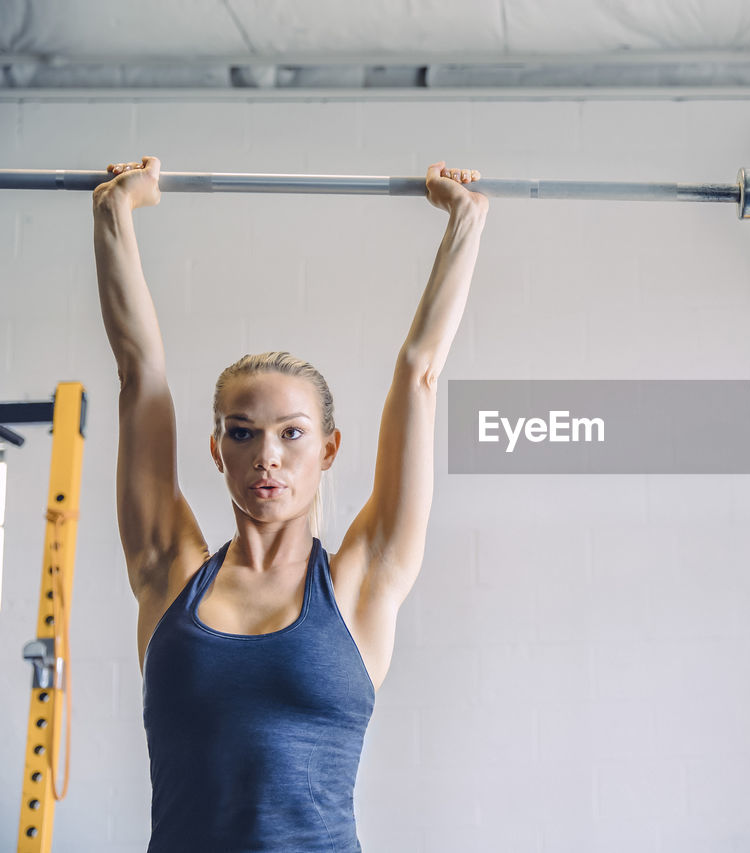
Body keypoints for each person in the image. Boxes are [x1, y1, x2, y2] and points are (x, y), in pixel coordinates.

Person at [91, 154, 488, 852]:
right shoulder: (169, 571)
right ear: (218, 450)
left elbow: (420, 370)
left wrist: (465, 221)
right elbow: (137, 371)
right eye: (242, 433)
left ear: (328, 449)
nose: (267, 455)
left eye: (291, 434)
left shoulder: (362, 584)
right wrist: (114, 213)